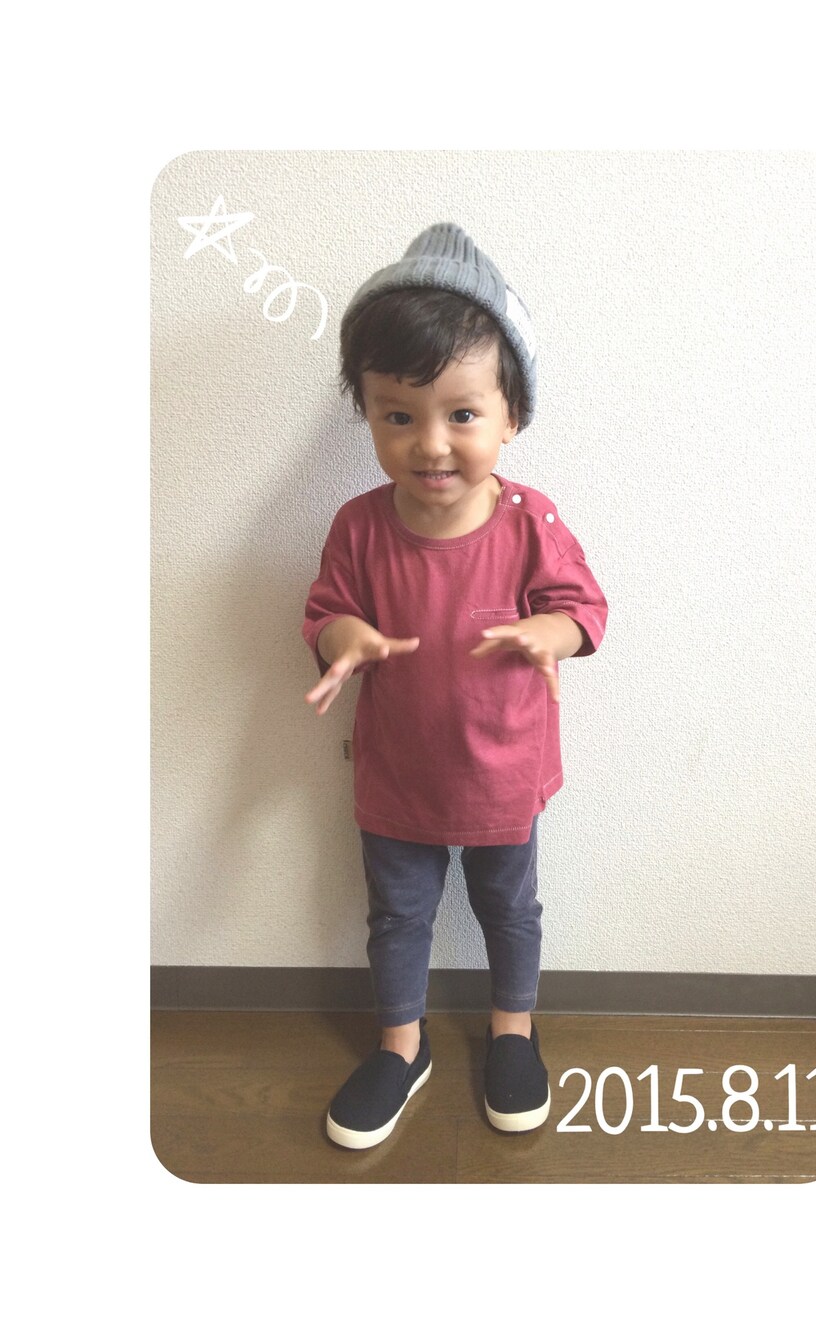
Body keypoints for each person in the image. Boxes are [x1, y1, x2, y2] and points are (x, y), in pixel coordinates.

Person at [303, 223, 608, 1150]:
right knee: (397, 914)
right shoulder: (359, 526)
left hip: (502, 775)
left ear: (512, 416)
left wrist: (551, 632)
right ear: (368, 414)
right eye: (398, 416)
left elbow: (584, 606)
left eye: (462, 414)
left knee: (509, 908)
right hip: (397, 776)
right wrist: (346, 639)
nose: (431, 444)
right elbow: (327, 611)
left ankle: (513, 1032)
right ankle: (403, 1047)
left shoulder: (529, 521)